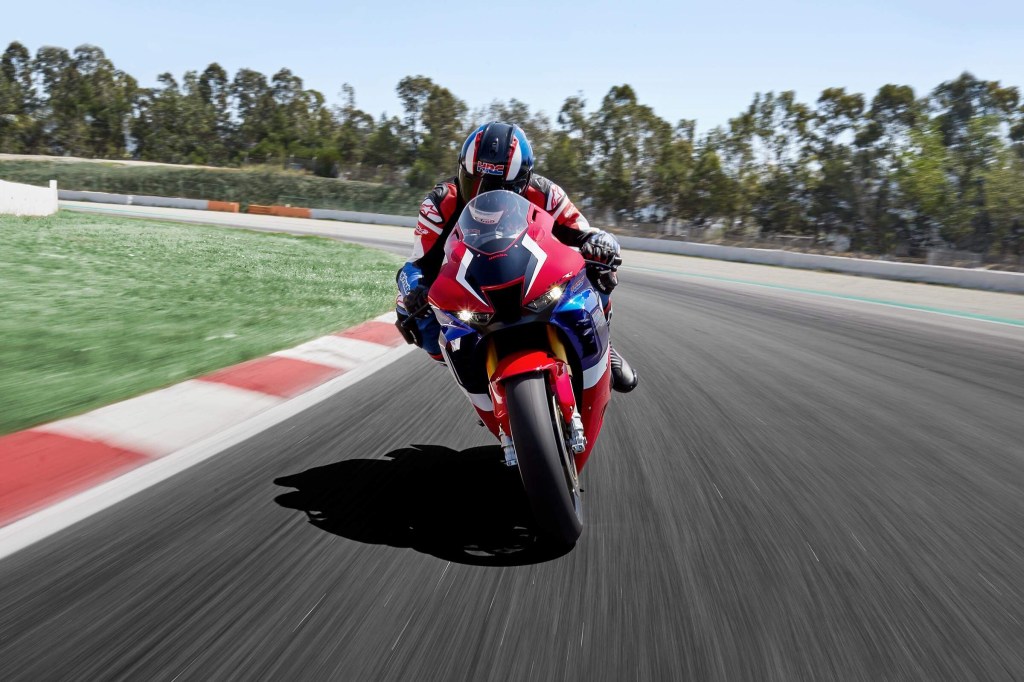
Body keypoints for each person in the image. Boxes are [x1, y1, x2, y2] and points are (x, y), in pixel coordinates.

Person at [395, 121, 638, 393]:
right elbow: (414, 265)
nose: (485, 194)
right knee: (408, 310)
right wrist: (414, 289)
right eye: (474, 182)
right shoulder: (439, 203)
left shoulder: (545, 193)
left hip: (535, 269)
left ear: (523, 182)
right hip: (470, 278)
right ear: (461, 172)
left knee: (599, 267)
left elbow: (584, 233)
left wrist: (601, 242)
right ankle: (473, 378)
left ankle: (606, 344)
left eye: (501, 186)